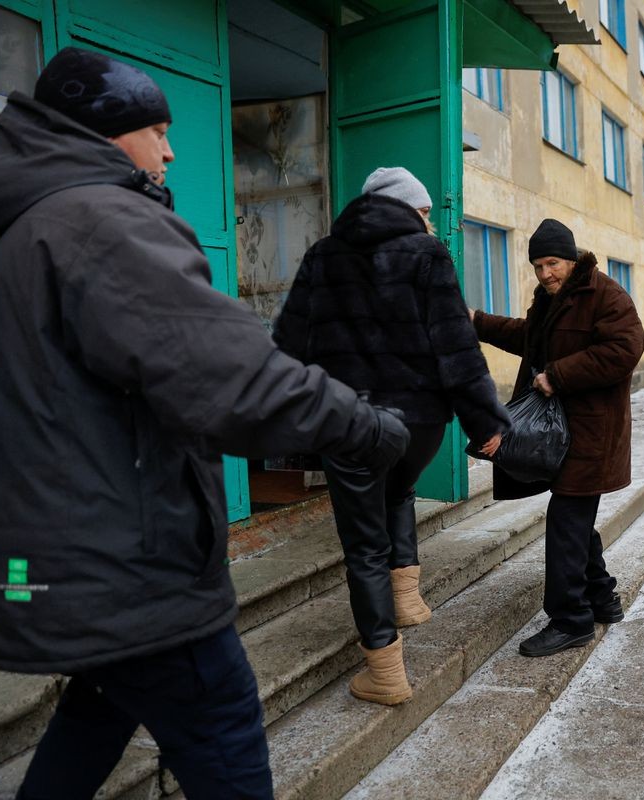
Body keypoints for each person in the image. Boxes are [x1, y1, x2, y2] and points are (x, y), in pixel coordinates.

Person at [0, 47, 410, 799]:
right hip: (132, 564)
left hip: (64, 555)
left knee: (99, 708)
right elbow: (231, 378)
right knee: (221, 727)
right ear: (104, 131)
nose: (172, 148)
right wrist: (370, 429)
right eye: (156, 129)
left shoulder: (20, 232)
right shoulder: (99, 221)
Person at [273, 166, 510, 705]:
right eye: (425, 211)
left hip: (349, 420)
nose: (430, 220)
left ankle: (385, 669)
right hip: (419, 422)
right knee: (399, 491)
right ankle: (405, 600)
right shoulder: (428, 255)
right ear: (406, 209)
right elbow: (457, 348)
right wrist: (486, 422)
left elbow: (288, 346)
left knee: (363, 546)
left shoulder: (322, 257)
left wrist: (285, 423)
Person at [472, 218, 644, 657]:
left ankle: (571, 620)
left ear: (571, 258)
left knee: (566, 521)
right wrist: (477, 322)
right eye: (537, 265)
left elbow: (627, 348)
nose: (545, 273)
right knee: (575, 521)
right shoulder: (553, 300)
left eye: (552, 263)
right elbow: (527, 337)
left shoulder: (604, 294)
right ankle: (602, 597)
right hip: (563, 434)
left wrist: (559, 377)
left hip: (592, 433)